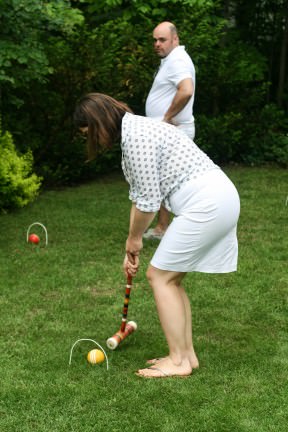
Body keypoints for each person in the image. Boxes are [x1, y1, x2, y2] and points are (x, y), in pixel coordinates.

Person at [74, 93, 240, 379]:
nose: (93, 142)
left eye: (88, 134)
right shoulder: (137, 130)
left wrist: (134, 241)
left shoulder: (136, 138)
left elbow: (148, 203)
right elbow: (139, 197)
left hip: (207, 202)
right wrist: (131, 244)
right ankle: (186, 354)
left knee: (160, 277)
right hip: (219, 196)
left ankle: (178, 362)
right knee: (171, 279)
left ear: (98, 122)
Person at [144, 21, 196, 240]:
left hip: (172, 132)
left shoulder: (178, 61)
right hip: (167, 132)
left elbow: (186, 91)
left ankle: (167, 228)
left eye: (162, 39)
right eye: (155, 40)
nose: (157, 44)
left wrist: (166, 118)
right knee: (164, 181)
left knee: (168, 182)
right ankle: (163, 227)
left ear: (175, 39)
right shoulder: (171, 60)